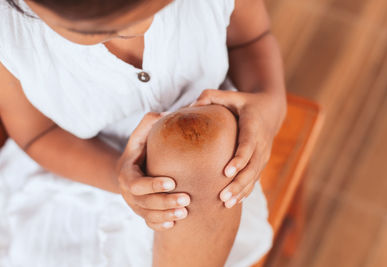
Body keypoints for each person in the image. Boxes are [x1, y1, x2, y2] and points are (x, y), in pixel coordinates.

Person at [0, 0, 287, 266]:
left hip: (210, 181)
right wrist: (120, 176)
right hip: (82, 174)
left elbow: (251, 40)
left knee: (196, 149)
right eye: (104, 28)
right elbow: (38, 134)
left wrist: (269, 102)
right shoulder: (9, 35)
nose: (142, 28)